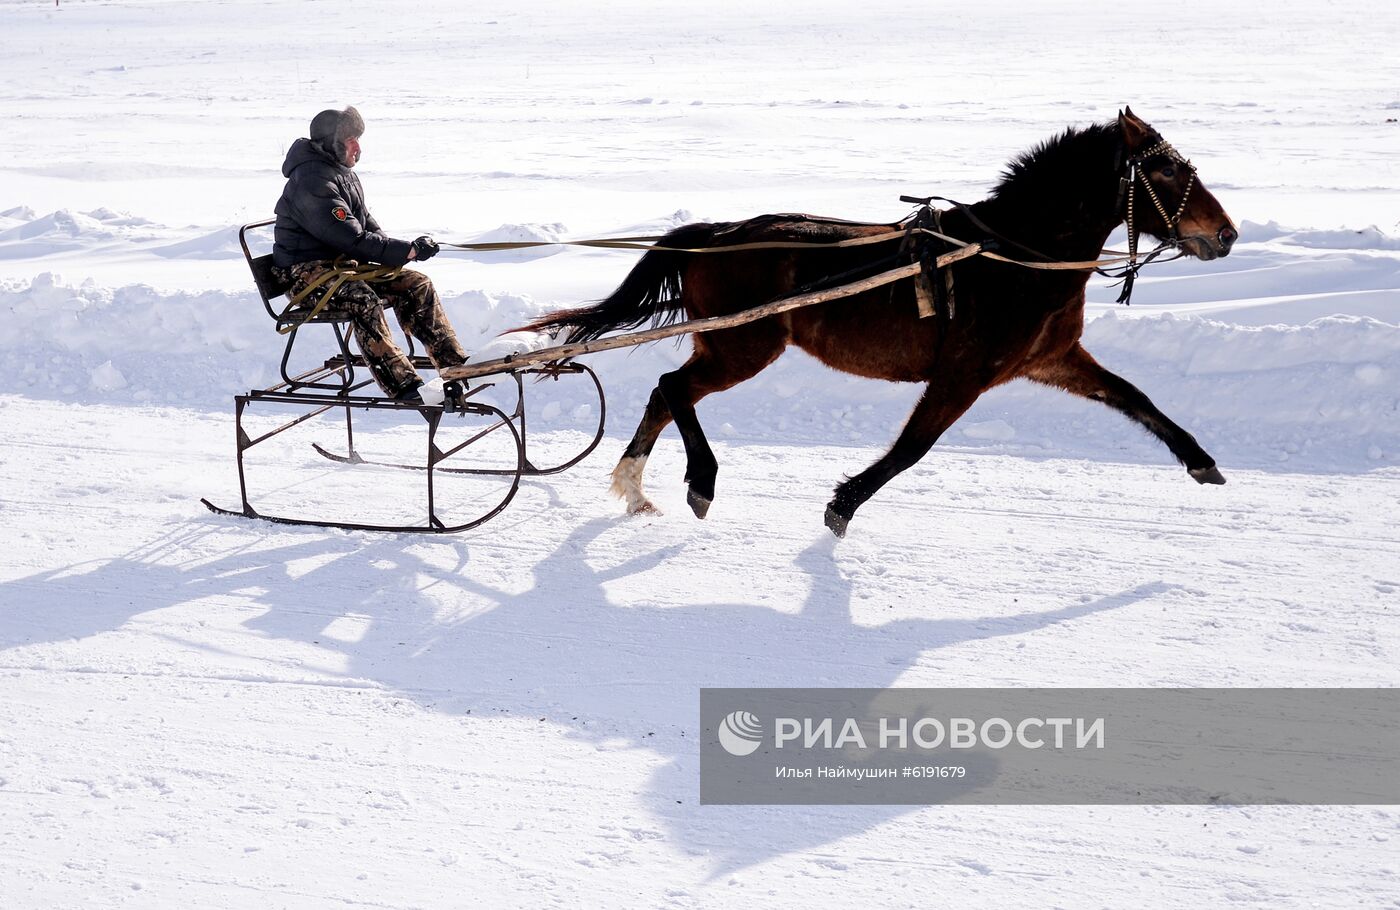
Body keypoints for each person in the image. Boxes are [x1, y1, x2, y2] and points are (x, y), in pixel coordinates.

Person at [272, 105, 466, 403]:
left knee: (416, 284)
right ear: (331, 142)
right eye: (351, 139)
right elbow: (351, 238)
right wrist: (405, 250)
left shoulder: (340, 174)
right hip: (305, 276)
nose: (358, 147)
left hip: (340, 269)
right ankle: (402, 385)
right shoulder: (311, 181)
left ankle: (455, 366)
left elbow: (365, 225)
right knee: (362, 300)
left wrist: (406, 253)